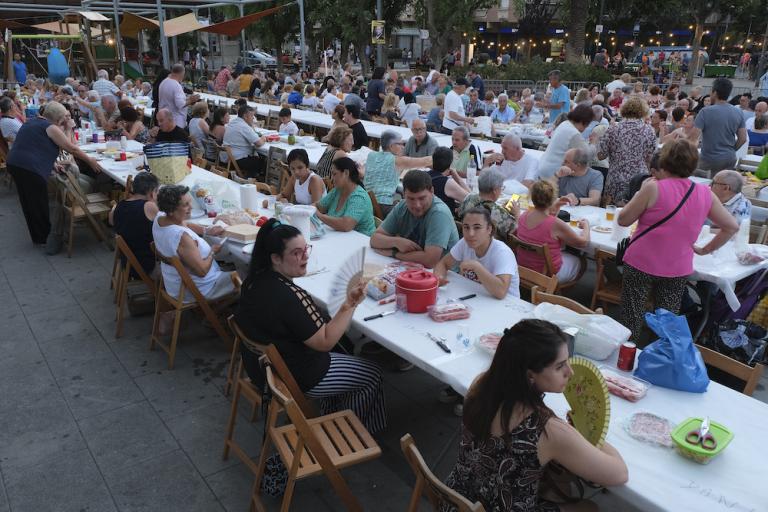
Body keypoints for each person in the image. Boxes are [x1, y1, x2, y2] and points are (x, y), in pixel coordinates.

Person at [444, 319, 628, 511]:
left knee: (555, 482)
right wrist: (589, 429)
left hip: (457, 499)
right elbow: (619, 473)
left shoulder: (480, 385)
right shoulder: (547, 430)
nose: (570, 372)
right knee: (589, 507)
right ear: (530, 375)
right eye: (560, 366)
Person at [235, 219, 386, 432]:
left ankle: (331, 413)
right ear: (275, 259)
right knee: (372, 374)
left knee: (344, 346)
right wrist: (350, 304)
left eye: (306, 249)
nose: (305, 256)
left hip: (262, 370)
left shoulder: (254, 280)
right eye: (296, 253)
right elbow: (324, 342)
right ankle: (362, 433)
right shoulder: (288, 296)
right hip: (296, 376)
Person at [618, 140, 739, 343]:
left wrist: (640, 193)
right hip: (677, 267)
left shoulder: (653, 188)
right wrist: (705, 249)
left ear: (665, 160)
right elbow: (731, 227)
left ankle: (626, 358)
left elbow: (624, 219)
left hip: (641, 261)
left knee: (631, 315)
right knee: (666, 321)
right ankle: (659, 361)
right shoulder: (704, 193)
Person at [7, 102, 103, 249]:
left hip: (15, 163)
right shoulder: (50, 127)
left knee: (28, 202)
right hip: (30, 167)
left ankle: (38, 237)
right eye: (64, 116)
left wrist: (52, 164)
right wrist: (90, 161)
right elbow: (72, 149)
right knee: (38, 203)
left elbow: (34, 146)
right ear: (58, 118)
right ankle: (44, 237)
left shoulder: (32, 122)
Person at [370, 169, 459, 268]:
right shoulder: (402, 206)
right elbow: (374, 239)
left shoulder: (439, 213)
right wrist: (396, 242)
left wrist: (394, 254)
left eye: (422, 198)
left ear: (432, 192)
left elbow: (430, 261)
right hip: (412, 267)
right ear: (404, 195)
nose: (417, 205)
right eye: (411, 199)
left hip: (445, 275)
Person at [435, 205, 519, 299]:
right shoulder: (465, 243)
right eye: (466, 227)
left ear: (489, 229)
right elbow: (443, 263)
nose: (471, 234)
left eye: (477, 227)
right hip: (478, 298)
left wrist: (476, 266)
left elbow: (501, 292)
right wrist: (439, 277)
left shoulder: (502, 252)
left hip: (507, 307)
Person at [515, 180, 589, 283]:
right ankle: (557, 293)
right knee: (581, 261)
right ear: (552, 199)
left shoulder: (524, 216)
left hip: (524, 268)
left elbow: (546, 223)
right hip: (547, 273)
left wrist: (557, 206)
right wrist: (586, 226)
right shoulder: (555, 224)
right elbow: (583, 242)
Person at [597, 97, 656, 204]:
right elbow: (650, 158)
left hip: (616, 178)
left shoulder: (613, 129)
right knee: (636, 213)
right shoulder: (649, 130)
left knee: (611, 214)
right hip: (639, 179)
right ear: (643, 111)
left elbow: (600, 155)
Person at [364, 130, 432, 215]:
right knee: (418, 209)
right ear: (392, 146)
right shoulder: (396, 160)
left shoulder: (371, 155)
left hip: (366, 202)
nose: (403, 147)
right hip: (383, 206)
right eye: (400, 144)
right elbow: (426, 161)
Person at [110, 172, 160, 277]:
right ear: (151, 193)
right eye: (157, 191)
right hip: (146, 265)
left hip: (127, 262)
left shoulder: (119, 206)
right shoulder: (149, 206)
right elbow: (168, 224)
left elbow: (111, 221)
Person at [694, 78, 747, 174]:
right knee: (723, 186)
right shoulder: (738, 111)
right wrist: (731, 150)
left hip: (709, 158)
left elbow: (694, 136)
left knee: (704, 186)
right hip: (729, 157)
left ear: (714, 92)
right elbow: (743, 138)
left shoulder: (705, 111)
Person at [315, 157, 376, 235]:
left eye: (334, 174)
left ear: (346, 173)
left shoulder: (359, 197)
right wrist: (309, 209)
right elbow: (318, 206)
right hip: (341, 238)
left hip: (362, 242)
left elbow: (346, 225)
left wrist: (319, 216)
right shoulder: (337, 191)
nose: (331, 178)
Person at [459, 169, 519, 241]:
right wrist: (517, 214)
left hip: (466, 239)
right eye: (501, 188)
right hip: (487, 246)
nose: (501, 191)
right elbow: (515, 233)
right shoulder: (497, 212)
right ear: (495, 190)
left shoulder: (469, 198)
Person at [537, 104, 594, 179]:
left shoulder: (565, 124)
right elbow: (587, 155)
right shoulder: (573, 133)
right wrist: (594, 142)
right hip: (553, 173)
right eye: (587, 125)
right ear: (584, 122)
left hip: (544, 167)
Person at [220, 105, 266, 177]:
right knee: (263, 162)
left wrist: (251, 126)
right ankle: (253, 180)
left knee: (257, 158)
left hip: (227, 158)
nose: (253, 119)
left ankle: (252, 177)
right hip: (237, 160)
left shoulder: (233, 122)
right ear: (245, 116)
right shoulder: (243, 126)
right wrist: (264, 138)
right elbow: (259, 143)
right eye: (252, 116)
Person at [427, 146, 470, 214]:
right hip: (443, 219)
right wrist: (458, 178)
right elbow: (471, 200)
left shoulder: (424, 175)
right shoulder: (447, 182)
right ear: (451, 163)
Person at [158, 64, 199, 129]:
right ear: (182, 73)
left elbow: (170, 99)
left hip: (165, 119)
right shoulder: (176, 85)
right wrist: (191, 100)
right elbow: (180, 104)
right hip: (175, 122)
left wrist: (187, 99)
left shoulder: (164, 82)